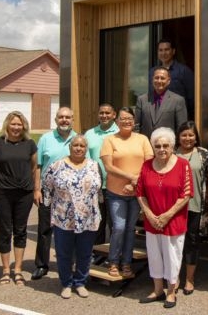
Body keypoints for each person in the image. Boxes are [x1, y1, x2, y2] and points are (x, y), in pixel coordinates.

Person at [137, 127, 193, 309]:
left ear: (172, 146)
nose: (161, 149)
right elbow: (140, 193)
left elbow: (186, 194)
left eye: (165, 145)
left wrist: (167, 215)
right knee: (154, 256)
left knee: (172, 256)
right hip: (152, 221)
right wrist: (150, 215)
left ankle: (171, 292)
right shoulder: (146, 165)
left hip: (174, 221)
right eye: (158, 146)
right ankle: (157, 290)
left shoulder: (183, 165)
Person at [43, 135, 102, 299]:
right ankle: (66, 283)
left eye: (82, 146)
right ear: (70, 148)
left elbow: (98, 190)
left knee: (85, 252)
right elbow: (47, 186)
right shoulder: (57, 166)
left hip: (88, 218)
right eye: (75, 145)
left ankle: (81, 282)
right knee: (64, 253)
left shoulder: (94, 165)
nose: (78, 148)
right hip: (64, 217)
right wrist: (47, 205)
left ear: (86, 148)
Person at [0, 111, 38, 287]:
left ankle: (18, 270)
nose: (16, 127)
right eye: (13, 124)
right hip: (2, 194)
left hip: (24, 193)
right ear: (7, 125)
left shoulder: (30, 144)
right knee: (5, 230)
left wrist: (29, 185)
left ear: (24, 126)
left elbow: (33, 167)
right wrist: (0, 181)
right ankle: (6, 270)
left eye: (19, 124)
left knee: (21, 230)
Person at [100, 106, 154, 278]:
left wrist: (135, 182)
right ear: (117, 121)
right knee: (119, 227)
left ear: (134, 121)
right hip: (116, 192)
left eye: (130, 118)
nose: (126, 121)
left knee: (131, 229)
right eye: (123, 119)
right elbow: (108, 167)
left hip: (136, 193)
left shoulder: (143, 139)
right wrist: (132, 177)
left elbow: (149, 164)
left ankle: (126, 263)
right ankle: (113, 261)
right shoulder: (110, 140)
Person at [31, 107, 77, 280]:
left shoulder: (78, 139)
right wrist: (36, 189)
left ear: (72, 119)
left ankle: (69, 263)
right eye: (61, 117)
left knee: (70, 228)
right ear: (56, 119)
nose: (64, 120)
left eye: (67, 117)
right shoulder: (45, 139)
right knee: (45, 228)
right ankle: (42, 265)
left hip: (71, 192)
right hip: (48, 191)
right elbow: (37, 166)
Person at [175, 121, 208, 295]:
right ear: (178, 137)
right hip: (174, 208)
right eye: (184, 135)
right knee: (174, 244)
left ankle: (189, 279)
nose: (187, 138)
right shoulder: (171, 154)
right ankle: (174, 278)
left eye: (191, 135)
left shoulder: (204, 154)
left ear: (196, 137)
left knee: (192, 242)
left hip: (196, 206)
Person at [84, 103, 119, 247]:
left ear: (114, 115)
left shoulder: (119, 133)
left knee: (115, 224)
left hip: (115, 186)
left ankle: (114, 255)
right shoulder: (90, 134)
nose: (104, 116)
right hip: (95, 186)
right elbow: (85, 160)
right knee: (97, 222)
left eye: (107, 113)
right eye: (101, 113)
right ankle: (97, 254)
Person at [148, 38, 195, 119]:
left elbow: (192, 99)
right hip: (157, 117)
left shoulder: (184, 71)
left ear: (173, 51)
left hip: (178, 116)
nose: (163, 53)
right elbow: (151, 95)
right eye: (160, 50)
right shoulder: (152, 72)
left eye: (166, 50)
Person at [136, 66, 187, 138]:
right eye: (156, 78)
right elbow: (136, 126)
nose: (159, 81)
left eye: (162, 78)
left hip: (167, 146)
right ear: (152, 79)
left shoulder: (178, 100)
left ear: (168, 81)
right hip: (146, 146)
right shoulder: (142, 99)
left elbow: (181, 128)